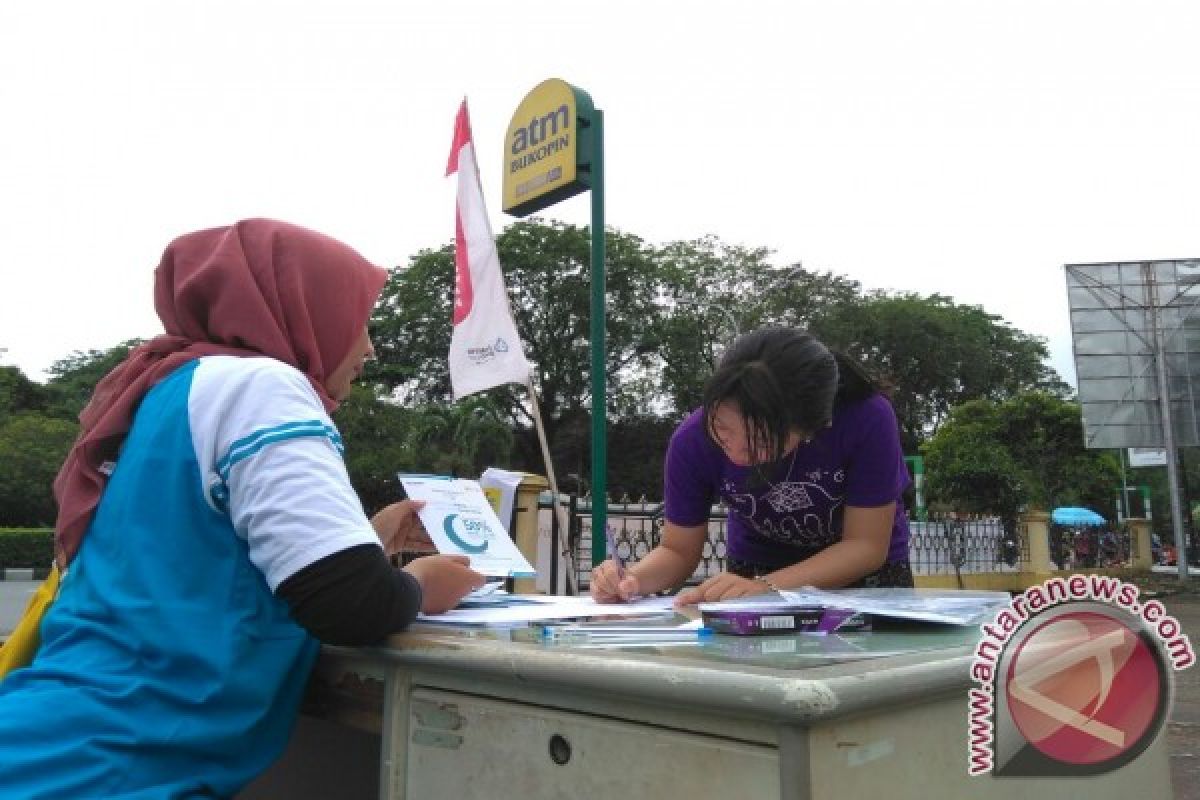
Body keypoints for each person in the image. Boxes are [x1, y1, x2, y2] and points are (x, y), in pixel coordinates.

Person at [0, 219, 484, 797]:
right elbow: (353, 605)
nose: (370, 347)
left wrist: (371, 540)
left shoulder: (172, 388)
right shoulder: (264, 387)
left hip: (60, 739)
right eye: (360, 319)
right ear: (307, 308)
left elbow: (189, 564)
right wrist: (422, 584)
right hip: (114, 764)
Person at [592, 327, 913, 605]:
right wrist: (631, 579)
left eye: (761, 443)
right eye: (724, 429)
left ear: (813, 427)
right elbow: (677, 550)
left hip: (861, 577)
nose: (738, 455)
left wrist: (769, 587)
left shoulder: (865, 418)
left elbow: (865, 545)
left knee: (869, 671)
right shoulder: (692, 440)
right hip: (756, 568)